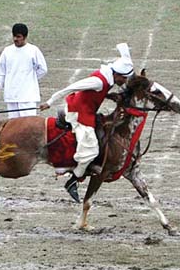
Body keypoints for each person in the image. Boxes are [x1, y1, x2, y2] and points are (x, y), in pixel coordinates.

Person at [39, 43, 134, 202]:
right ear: (117, 74)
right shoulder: (98, 81)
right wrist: (50, 101)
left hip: (88, 111)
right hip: (78, 113)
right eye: (123, 78)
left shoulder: (111, 77)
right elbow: (71, 87)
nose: (124, 81)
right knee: (91, 150)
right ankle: (72, 180)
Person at [0, 23, 48, 118]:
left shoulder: (33, 50)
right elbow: (1, 71)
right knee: (13, 125)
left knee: (28, 125)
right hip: (11, 95)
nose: (15, 39)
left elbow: (43, 69)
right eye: (14, 36)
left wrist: (30, 79)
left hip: (27, 96)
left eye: (18, 37)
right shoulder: (7, 51)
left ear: (25, 37)